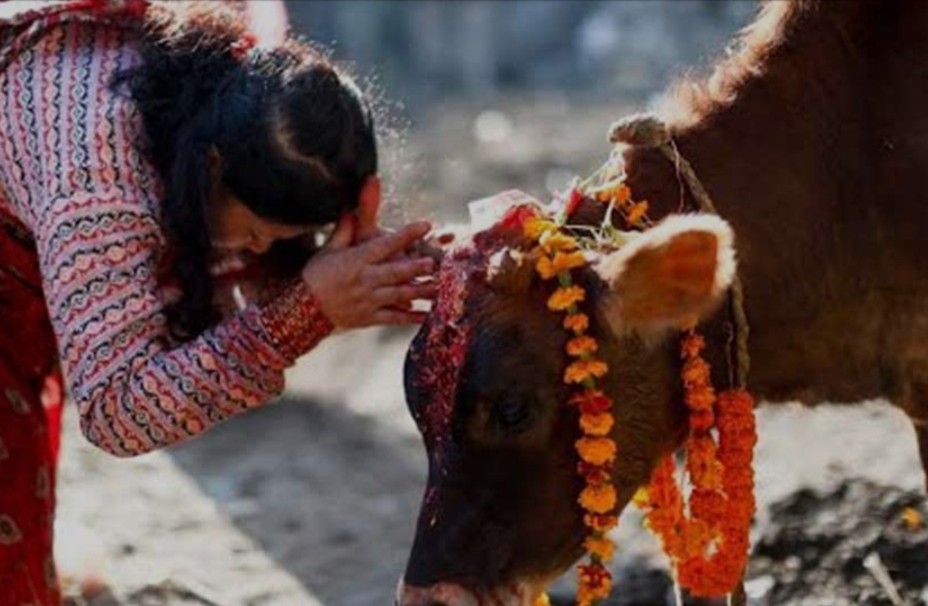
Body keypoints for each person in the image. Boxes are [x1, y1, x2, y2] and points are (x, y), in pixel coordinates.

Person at [0, 1, 436, 604]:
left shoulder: (224, 88)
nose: (257, 250)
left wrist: (344, 275)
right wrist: (306, 312)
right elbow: (118, 408)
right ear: (209, 164)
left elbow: (222, 280)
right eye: (257, 233)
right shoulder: (98, 184)